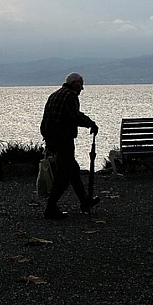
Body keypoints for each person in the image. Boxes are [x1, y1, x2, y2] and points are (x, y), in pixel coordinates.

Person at [40, 72, 100, 220]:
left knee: (73, 171)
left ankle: (85, 202)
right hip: (63, 139)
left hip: (52, 139)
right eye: (81, 85)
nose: (82, 89)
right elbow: (75, 116)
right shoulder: (71, 96)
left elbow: (46, 118)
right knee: (64, 176)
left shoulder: (55, 94)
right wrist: (91, 124)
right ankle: (50, 208)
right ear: (75, 84)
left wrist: (48, 140)